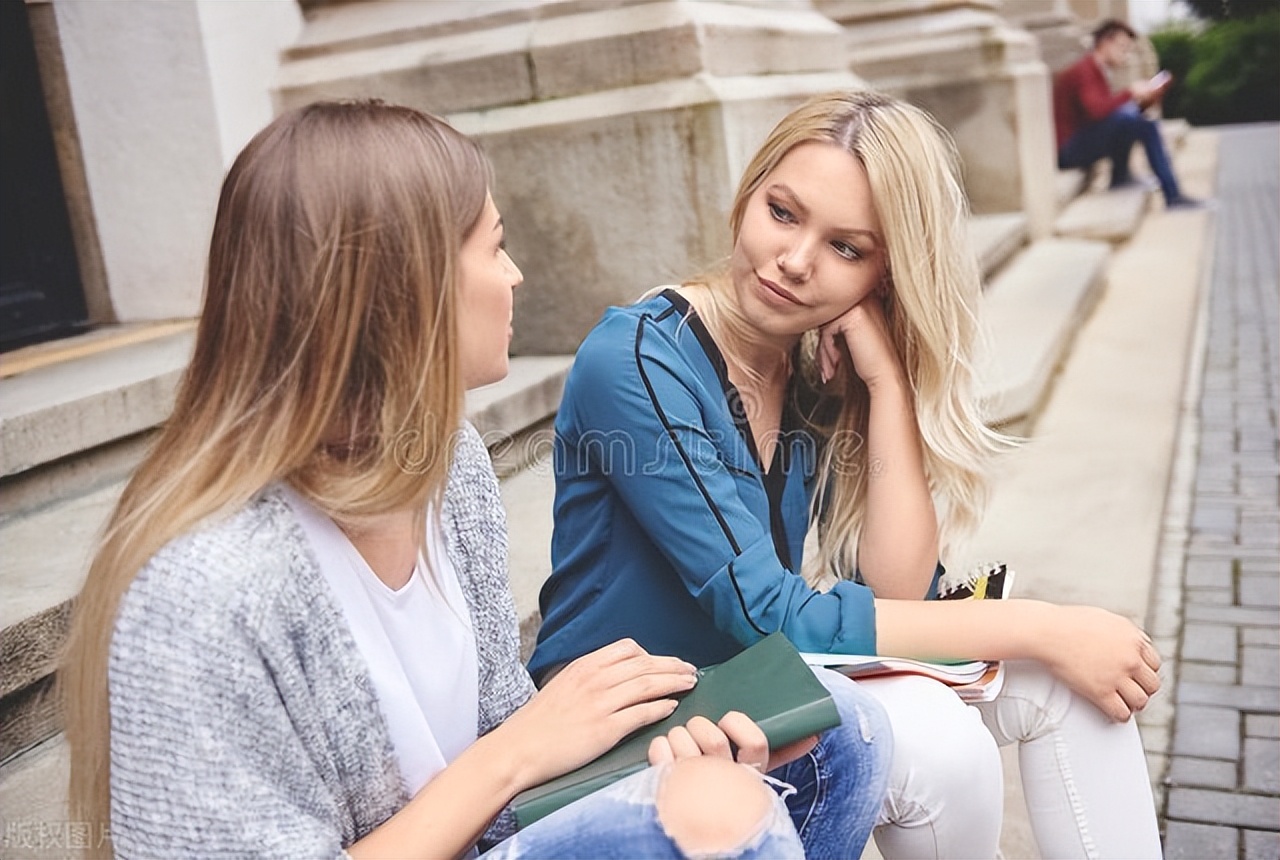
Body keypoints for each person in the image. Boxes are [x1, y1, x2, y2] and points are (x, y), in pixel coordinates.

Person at [59, 101, 891, 859]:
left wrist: (646, 758)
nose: (516, 275)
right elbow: (506, 756)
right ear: (401, 289)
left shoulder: (447, 464)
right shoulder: (203, 592)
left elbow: (504, 757)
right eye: (494, 247)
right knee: (711, 815)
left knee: (841, 736)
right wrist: (520, 755)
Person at [531, 91, 1165, 858]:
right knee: (946, 744)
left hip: (753, 689)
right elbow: (770, 614)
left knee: (1072, 690)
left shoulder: (809, 368)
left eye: (847, 249)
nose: (796, 261)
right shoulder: (636, 360)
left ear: (884, 276)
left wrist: (885, 386)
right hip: (626, 728)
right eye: (783, 213)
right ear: (747, 194)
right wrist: (1046, 624)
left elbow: (902, 589)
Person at [1054, 18, 1203, 209]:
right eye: (1122, 48)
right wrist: (1130, 93)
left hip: (1081, 141)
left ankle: (1121, 177)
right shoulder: (1085, 70)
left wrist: (1144, 100)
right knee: (1139, 122)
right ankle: (1172, 194)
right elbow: (1097, 111)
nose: (1125, 55)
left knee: (1134, 117)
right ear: (1105, 43)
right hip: (1068, 151)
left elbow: (1105, 114)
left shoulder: (1097, 69)